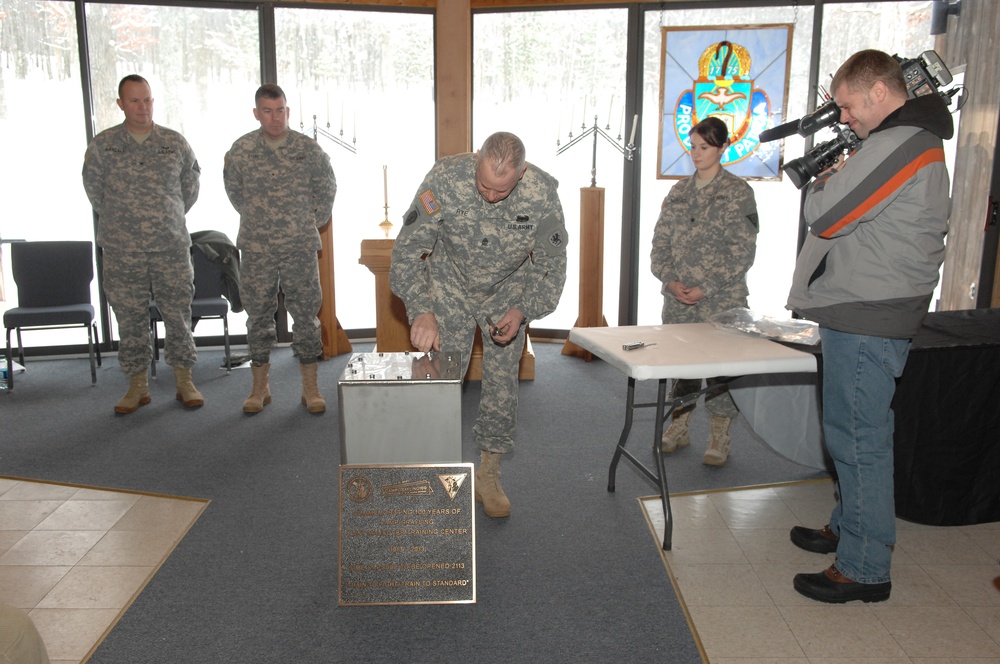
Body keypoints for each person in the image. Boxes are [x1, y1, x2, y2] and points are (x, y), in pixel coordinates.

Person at [786, 50, 952, 604]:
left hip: (869, 313)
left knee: (858, 441)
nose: (845, 117)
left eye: (849, 105)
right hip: (864, 307)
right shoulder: (904, 140)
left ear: (879, 92)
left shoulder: (901, 143)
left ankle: (863, 567)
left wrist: (821, 184)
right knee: (854, 436)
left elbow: (830, 215)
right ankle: (848, 524)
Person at [389, 132, 568, 518]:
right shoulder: (445, 177)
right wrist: (421, 309)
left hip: (506, 292)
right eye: (483, 185)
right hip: (448, 284)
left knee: (502, 384)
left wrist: (523, 311)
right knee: (438, 378)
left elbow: (553, 268)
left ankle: (489, 473)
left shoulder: (542, 192)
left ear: (521, 175)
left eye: (500, 191)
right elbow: (408, 248)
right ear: (476, 162)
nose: (489, 196)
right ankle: (436, 470)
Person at [83, 74, 203, 414]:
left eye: (147, 99)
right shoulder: (103, 145)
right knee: (130, 318)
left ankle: (184, 381)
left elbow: (189, 188)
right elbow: (95, 192)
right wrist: (126, 220)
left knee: (178, 315)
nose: (142, 106)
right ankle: (137, 386)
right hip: (123, 249)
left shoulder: (174, 143)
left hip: (170, 246)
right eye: (134, 100)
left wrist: (165, 216)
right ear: (121, 104)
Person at [650, 116, 759, 467]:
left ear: (722, 148)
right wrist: (668, 279)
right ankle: (679, 426)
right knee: (682, 367)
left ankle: (719, 435)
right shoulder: (678, 192)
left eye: (705, 147)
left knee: (721, 371)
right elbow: (659, 244)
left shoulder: (738, 192)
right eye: (693, 147)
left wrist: (705, 288)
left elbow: (741, 252)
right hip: (678, 301)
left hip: (720, 300)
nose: (696, 154)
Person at [223, 83, 337, 414]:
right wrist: (260, 220)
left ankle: (310, 388)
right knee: (257, 315)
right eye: (268, 111)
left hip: (299, 246)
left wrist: (306, 222)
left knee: (305, 315)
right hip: (257, 247)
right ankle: (260, 388)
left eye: (281, 110)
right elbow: (235, 192)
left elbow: (326, 190)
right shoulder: (241, 150)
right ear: (257, 113)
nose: (276, 118)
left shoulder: (308, 150)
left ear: (288, 111)